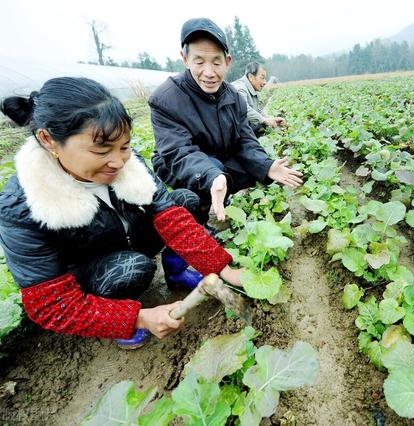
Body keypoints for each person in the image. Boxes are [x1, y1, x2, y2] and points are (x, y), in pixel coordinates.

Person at [0, 77, 244, 349]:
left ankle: (175, 272)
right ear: (49, 140)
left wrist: (223, 269)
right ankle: (120, 320)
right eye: (101, 150)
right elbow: (51, 304)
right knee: (130, 270)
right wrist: (138, 318)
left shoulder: (129, 163)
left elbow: (169, 215)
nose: (118, 161)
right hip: (94, 267)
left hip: (128, 237)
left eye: (125, 147)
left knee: (183, 200)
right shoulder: (21, 205)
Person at [149, 17, 303, 224]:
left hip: (218, 153)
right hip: (177, 163)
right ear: (185, 59)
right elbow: (178, 151)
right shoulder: (165, 99)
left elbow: (245, 140)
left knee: (251, 171)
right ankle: (202, 211)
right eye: (199, 61)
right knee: (210, 175)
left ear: (227, 62)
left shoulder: (233, 96)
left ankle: (221, 189)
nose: (209, 73)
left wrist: (266, 166)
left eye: (216, 62)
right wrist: (212, 175)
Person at [232, 61, 286, 136]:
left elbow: (257, 111)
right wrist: (264, 120)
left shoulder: (251, 89)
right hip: (230, 134)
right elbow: (243, 109)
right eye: (262, 78)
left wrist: (272, 119)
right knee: (262, 126)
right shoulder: (240, 88)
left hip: (239, 129)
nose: (265, 82)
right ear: (251, 77)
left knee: (264, 125)